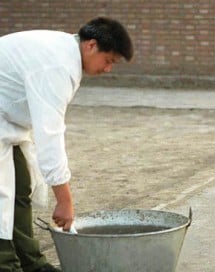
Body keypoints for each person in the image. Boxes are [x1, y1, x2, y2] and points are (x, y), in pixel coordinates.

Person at [0, 17, 133, 271]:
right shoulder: (56, 66)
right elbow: (49, 135)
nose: (108, 70)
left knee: (19, 185)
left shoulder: (64, 52)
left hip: (5, 121)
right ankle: (5, 264)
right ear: (91, 45)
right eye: (109, 61)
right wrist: (65, 200)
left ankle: (31, 263)